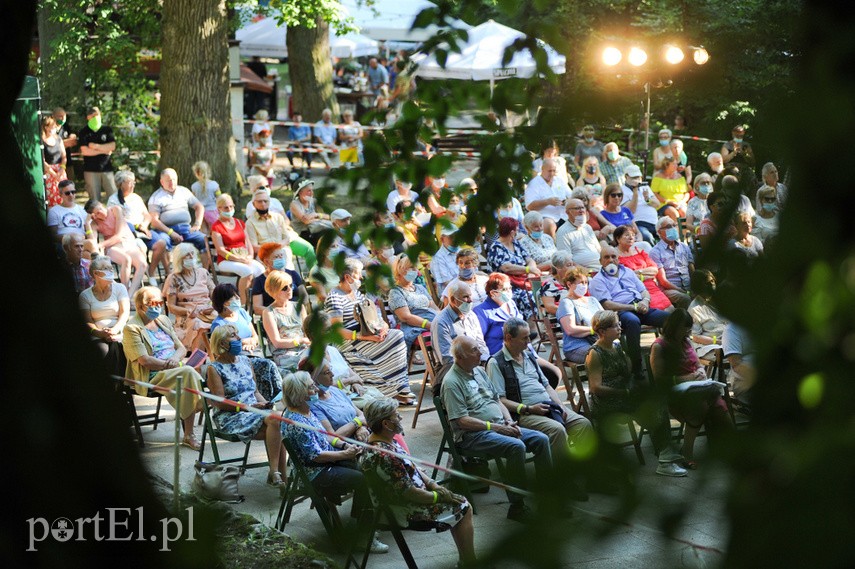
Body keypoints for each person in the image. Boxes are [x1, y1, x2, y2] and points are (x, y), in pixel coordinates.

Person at [441, 336, 552, 521]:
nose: (480, 353)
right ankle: (517, 506)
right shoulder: (452, 382)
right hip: (473, 435)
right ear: (460, 357)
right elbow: (461, 421)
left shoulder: (479, 371)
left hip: (499, 426)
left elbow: (496, 399)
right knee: (516, 447)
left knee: (541, 439)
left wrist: (508, 421)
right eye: (474, 350)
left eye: (479, 348)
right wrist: (497, 428)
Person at [279, 371, 388, 553]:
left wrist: (345, 445)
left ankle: (365, 522)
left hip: (326, 462)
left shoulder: (306, 411)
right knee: (364, 479)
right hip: (316, 472)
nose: (315, 388)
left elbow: (328, 437)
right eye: (310, 387)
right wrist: (345, 455)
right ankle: (363, 536)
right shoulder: (296, 421)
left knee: (369, 465)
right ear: (300, 394)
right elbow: (316, 456)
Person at [360, 397, 476, 566]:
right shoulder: (383, 455)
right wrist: (438, 496)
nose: (400, 418)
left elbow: (413, 468)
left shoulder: (386, 441)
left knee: (459, 502)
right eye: (397, 416)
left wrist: (434, 485)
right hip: (403, 509)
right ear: (386, 424)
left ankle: (467, 560)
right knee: (464, 506)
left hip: (412, 497)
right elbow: (410, 493)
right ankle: (470, 562)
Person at [585, 310, 688, 477]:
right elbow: (595, 388)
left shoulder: (617, 346)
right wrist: (623, 392)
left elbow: (627, 371)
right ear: (602, 331)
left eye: (619, 324)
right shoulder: (595, 354)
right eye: (615, 326)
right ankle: (665, 457)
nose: (620, 328)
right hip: (607, 401)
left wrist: (629, 359)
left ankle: (665, 454)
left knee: (658, 404)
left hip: (625, 395)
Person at [488, 318, 593, 467]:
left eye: (528, 338)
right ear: (508, 338)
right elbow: (499, 400)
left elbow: (547, 385)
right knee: (557, 430)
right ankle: (565, 477)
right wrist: (528, 408)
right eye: (524, 338)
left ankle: (590, 473)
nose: (528, 342)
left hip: (548, 406)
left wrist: (560, 406)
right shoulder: (496, 363)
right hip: (524, 414)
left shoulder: (529, 356)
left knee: (583, 424)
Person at [206, 324, 287, 488]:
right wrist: (245, 407)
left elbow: (254, 391)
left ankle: (279, 476)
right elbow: (220, 402)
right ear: (222, 343)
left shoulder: (245, 361)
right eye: (233, 336)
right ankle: (276, 474)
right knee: (278, 424)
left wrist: (264, 403)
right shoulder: (214, 368)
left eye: (237, 334)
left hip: (254, 410)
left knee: (279, 423)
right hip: (231, 415)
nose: (238, 338)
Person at [123, 286, 203, 450]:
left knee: (198, 368)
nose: (158, 306)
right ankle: (200, 408)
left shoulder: (163, 320)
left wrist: (174, 359)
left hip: (174, 367)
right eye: (153, 302)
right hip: (152, 374)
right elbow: (144, 360)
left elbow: (181, 348)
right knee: (188, 372)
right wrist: (170, 365)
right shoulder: (132, 328)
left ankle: (190, 429)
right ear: (140, 306)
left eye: (160, 302)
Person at [650, 309, 733, 466]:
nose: (688, 332)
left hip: (696, 387)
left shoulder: (685, 341)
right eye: (685, 329)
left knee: (717, 400)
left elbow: (697, 364)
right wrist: (687, 378)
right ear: (674, 327)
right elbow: (660, 380)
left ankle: (732, 445)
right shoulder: (659, 346)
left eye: (689, 329)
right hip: (675, 393)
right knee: (701, 404)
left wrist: (701, 371)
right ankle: (687, 452)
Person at [324, 258, 413, 403]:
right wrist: (363, 337)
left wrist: (383, 326)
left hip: (367, 332)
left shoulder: (356, 293)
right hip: (349, 340)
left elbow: (372, 313)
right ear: (348, 277)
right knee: (384, 344)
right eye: (358, 274)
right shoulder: (334, 297)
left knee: (396, 336)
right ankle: (389, 390)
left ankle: (399, 388)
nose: (361, 277)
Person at [589, 247, 669, 376]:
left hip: (641, 306)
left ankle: (672, 355)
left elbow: (643, 290)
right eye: (606, 257)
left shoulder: (628, 272)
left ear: (618, 258)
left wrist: (645, 301)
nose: (610, 260)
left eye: (613, 257)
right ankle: (636, 366)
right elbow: (607, 304)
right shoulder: (597, 280)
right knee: (633, 321)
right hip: (621, 311)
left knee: (670, 318)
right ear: (600, 261)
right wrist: (633, 307)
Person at [109, 170, 167, 285]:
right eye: (130, 182)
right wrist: (135, 227)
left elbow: (147, 215)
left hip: (142, 230)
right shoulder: (113, 200)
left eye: (134, 182)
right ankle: (130, 276)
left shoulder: (136, 198)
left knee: (161, 243)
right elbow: (115, 221)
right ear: (121, 184)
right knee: (139, 247)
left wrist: (144, 225)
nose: (133, 185)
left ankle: (150, 272)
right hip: (127, 233)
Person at [84, 199, 148, 295]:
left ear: (102, 204)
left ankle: (129, 295)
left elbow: (119, 235)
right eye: (97, 213)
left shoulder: (115, 210)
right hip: (113, 247)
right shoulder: (95, 223)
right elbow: (92, 242)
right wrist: (87, 224)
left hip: (128, 243)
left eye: (100, 209)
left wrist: (101, 245)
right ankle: (124, 293)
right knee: (126, 259)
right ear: (93, 215)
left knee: (142, 264)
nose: (101, 213)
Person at [211, 194, 265, 305]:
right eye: (226, 207)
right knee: (247, 271)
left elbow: (248, 242)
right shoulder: (216, 227)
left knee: (261, 270)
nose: (229, 209)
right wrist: (239, 259)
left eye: (231, 206)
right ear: (219, 209)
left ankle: (256, 301)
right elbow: (220, 250)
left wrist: (250, 256)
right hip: (226, 260)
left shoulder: (240, 223)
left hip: (244, 257)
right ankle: (244, 304)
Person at [79, 255, 129, 375]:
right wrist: (99, 333)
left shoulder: (120, 288)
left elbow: (125, 312)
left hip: (119, 332)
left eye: (111, 268)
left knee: (119, 349)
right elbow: (87, 320)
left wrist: (115, 330)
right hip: (98, 334)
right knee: (102, 352)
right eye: (106, 268)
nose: (111, 271)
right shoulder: (85, 295)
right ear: (96, 273)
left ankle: (121, 385)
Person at [147, 168, 209, 265]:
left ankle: (205, 273)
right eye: (168, 181)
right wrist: (171, 233)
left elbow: (199, 206)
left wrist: (197, 224)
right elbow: (154, 221)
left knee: (203, 239)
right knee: (163, 241)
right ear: (162, 182)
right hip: (166, 230)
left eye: (174, 179)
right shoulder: (156, 197)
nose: (172, 183)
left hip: (186, 229)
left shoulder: (184, 191)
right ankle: (169, 274)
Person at [163, 243, 215, 352]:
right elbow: (171, 307)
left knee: (229, 318)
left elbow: (215, 295)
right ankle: (198, 363)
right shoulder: (173, 278)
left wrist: (213, 306)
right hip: (187, 315)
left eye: (192, 253)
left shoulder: (203, 272)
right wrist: (188, 311)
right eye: (187, 255)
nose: (191, 257)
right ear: (179, 259)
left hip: (208, 312)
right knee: (198, 325)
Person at [304, 357, 370, 443]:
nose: (332, 374)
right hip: (349, 448)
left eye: (330, 369)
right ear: (314, 378)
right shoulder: (313, 405)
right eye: (327, 373)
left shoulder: (334, 391)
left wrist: (361, 427)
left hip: (363, 436)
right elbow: (332, 437)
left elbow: (361, 414)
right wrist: (357, 423)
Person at [613, 225, 674, 311]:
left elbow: (654, 269)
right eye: (627, 235)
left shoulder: (639, 251)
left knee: (671, 309)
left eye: (633, 235)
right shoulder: (614, 256)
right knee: (657, 314)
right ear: (618, 239)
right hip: (635, 290)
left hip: (652, 287)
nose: (631, 237)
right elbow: (623, 277)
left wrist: (638, 273)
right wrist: (644, 274)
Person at [487, 218, 537, 321]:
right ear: (512, 232)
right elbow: (507, 268)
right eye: (517, 230)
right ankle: (532, 329)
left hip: (524, 281)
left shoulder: (516, 244)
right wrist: (527, 269)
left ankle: (543, 326)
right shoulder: (496, 248)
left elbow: (529, 259)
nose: (518, 232)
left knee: (544, 291)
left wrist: (531, 270)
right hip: (507, 287)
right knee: (529, 297)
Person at [388, 254, 440, 349]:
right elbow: (406, 318)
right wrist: (429, 325)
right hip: (413, 326)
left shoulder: (420, 288)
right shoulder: (395, 292)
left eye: (415, 267)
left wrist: (442, 319)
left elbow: (434, 307)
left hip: (431, 320)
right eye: (411, 268)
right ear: (400, 270)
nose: (415, 270)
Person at [262, 270, 310, 374]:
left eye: (291, 285)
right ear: (274, 291)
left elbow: (308, 333)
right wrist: (300, 341)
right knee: (308, 363)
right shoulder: (269, 312)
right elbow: (277, 343)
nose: (289, 289)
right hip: (285, 354)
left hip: (303, 349)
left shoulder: (300, 307)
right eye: (284, 288)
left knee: (327, 353)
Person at [432, 281, 490, 365]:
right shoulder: (441, 322)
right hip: (454, 368)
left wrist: (486, 361)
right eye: (466, 297)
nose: (470, 300)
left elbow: (480, 343)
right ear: (452, 299)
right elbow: (447, 358)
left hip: (475, 363)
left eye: (470, 296)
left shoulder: (471, 315)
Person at [557, 268, 603, 363]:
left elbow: (605, 318)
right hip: (576, 346)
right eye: (581, 283)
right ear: (569, 284)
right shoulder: (566, 303)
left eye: (586, 282)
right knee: (599, 355)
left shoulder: (592, 300)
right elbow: (570, 329)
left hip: (597, 340)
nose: (584, 286)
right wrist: (593, 329)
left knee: (618, 351)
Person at [473, 273, 524, 357]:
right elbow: (479, 340)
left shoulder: (510, 303)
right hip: (498, 356)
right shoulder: (481, 311)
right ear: (493, 293)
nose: (508, 292)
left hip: (520, 350)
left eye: (510, 288)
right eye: (504, 289)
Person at [648, 218, 694, 309]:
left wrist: (696, 287)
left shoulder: (684, 247)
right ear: (659, 232)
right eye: (669, 227)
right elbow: (663, 281)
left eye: (674, 225)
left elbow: (692, 269)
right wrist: (683, 291)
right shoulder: (655, 252)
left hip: (689, 286)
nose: (673, 228)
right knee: (685, 298)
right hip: (670, 289)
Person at [252, 242, 308, 316]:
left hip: (296, 312)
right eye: (276, 257)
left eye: (281, 255)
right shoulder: (259, 281)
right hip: (274, 316)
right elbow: (257, 308)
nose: (280, 258)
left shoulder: (293, 274)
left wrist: (298, 310)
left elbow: (304, 296)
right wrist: (278, 313)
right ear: (266, 261)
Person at [524, 157, 572, 238]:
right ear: (542, 169)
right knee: (549, 224)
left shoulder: (559, 180)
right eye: (549, 171)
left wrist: (566, 202)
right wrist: (547, 202)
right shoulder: (534, 184)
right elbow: (529, 206)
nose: (552, 173)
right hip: (545, 217)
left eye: (554, 171)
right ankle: (552, 247)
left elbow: (571, 195)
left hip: (564, 216)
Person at [77, 106, 117, 201]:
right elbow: (85, 151)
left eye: (97, 115)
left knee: (113, 196)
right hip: (90, 170)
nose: (96, 117)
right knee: (94, 200)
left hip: (107, 169)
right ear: (88, 117)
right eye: (93, 115)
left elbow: (112, 146)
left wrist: (95, 146)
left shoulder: (107, 130)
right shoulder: (83, 132)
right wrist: (105, 150)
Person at [48, 180, 96, 257]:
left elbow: (89, 232)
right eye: (67, 193)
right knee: (90, 246)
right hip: (65, 244)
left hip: (82, 243)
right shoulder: (54, 211)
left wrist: (86, 234)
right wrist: (72, 239)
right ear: (60, 194)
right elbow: (53, 236)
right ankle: (100, 264)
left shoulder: (82, 210)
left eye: (73, 192)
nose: (71, 195)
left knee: (87, 254)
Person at [210, 283, 259, 354]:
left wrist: (252, 342)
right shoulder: (219, 324)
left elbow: (255, 336)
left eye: (237, 295)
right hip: (235, 357)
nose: (238, 298)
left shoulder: (242, 312)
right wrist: (243, 342)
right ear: (225, 303)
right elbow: (221, 348)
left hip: (253, 350)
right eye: (234, 297)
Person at [555, 199, 602, 272]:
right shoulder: (563, 232)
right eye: (577, 208)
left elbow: (599, 250)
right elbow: (566, 262)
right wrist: (587, 272)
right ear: (567, 212)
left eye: (582, 207)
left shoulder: (587, 227)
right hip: (584, 272)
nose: (581, 210)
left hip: (601, 268)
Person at [621, 164, 660, 245]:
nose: (637, 180)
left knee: (669, 233)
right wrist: (635, 193)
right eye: (634, 177)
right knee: (647, 237)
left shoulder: (644, 187)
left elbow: (657, 204)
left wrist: (647, 199)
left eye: (638, 177)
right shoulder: (622, 190)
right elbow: (630, 211)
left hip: (655, 222)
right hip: (639, 224)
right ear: (626, 177)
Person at [289, 179, 333, 246]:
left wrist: (315, 214)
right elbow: (306, 221)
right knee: (326, 236)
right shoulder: (295, 204)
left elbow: (328, 217)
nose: (312, 193)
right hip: (302, 233)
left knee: (332, 232)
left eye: (312, 190)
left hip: (315, 230)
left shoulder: (314, 201)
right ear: (300, 193)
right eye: (309, 191)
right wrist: (319, 218)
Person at [651, 156, 690, 220]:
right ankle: (675, 230)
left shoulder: (679, 177)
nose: (676, 166)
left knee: (685, 213)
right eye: (673, 164)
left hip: (680, 203)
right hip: (664, 204)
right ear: (666, 165)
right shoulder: (658, 177)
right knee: (674, 214)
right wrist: (668, 201)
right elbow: (654, 193)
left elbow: (686, 193)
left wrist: (682, 202)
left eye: (676, 164)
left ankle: (684, 230)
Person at [41, 115, 67, 207]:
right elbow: (43, 161)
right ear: (45, 127)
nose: (53, 128)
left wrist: (62, 170)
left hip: (60, 172)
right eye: (51, 126)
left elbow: (64, 156)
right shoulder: (41, 142)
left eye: (54, 126)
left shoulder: (58, 139)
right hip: (49, 173)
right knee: (51, 200)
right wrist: (54, 174)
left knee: (63, 197)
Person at [539, 251, 574, 316]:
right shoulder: (549, 284)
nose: (572, 268)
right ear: (558, 268)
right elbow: (550, 308)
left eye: (572, 265)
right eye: (569, 265)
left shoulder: (575, 281)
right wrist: (571, 313)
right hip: (560, 318)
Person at [190, 161, 221, 232]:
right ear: (208, 171)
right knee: (213, 231)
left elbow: (193, 200)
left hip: (200, 213)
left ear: (196, 173)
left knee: (204, 233)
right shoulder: (215, 185)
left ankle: (205, 243)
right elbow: (219, 198)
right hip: (212, 211)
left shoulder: (194, 186)